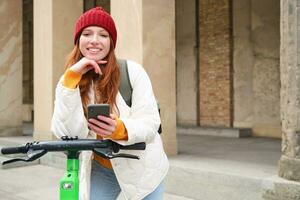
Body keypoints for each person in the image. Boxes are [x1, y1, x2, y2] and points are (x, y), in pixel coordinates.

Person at [51, 7, 169, 200]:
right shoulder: (69, 80)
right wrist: (72, 79)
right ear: (78, 40)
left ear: (111, 42)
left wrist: (119, 129)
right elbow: (67, 134)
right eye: (87, 33)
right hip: (100, 167)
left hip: (143, 167)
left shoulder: (133, 72)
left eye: (103, 35)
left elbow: (150, 123)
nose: (94, 40)